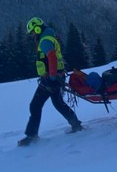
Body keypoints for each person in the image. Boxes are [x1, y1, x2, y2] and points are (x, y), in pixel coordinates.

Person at [18, 17, 83, 146]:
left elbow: (52, 57)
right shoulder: (49, 38)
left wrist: (52, 76)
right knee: (58, 102)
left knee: (35, 105)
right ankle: (76, 124)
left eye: (32, 32)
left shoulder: (45, 41)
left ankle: (31, 136)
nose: (32, 35)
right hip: (56, 77)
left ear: (37, 29)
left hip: (51, 79)